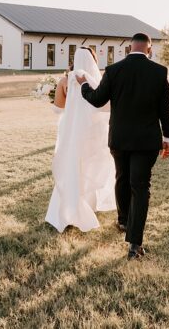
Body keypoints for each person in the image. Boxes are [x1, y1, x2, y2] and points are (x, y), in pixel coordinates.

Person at [77, 33, 169, 260]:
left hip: (119, 139)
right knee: (140, 186)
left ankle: (123, 221)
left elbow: (97, 99)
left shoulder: (113, 70)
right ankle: (134, 244)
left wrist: (84, 85)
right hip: (146, 141)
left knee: (121, 177)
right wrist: (168, 138)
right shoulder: (160, 72)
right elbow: (166, 109)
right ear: (149, 49)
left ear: (129, 49)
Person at [45, 47, 116, 232]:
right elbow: (106, 107)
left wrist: (61, 97)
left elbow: (58, 109)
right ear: (93, 60)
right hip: (94, 133)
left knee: (72, 166)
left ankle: (69, 209)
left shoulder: (65, 81)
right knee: (90, 166)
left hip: (72, 132)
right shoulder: (99, 81)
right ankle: (89, 205)